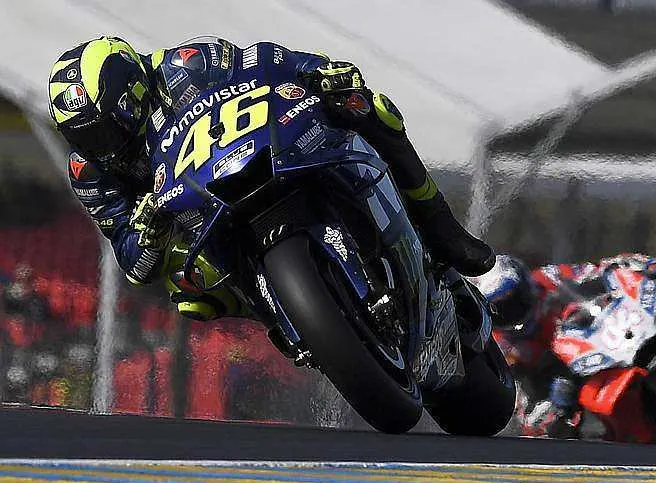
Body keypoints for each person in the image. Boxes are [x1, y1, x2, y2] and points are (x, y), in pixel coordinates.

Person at [47, 36, 494, 320]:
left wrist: (317, 72)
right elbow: (133, 265)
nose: (96, 145)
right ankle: (292, 317)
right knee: (189, 293)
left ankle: (442, 229)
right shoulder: (89, 172)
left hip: (266, 153)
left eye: (99, 129)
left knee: (367, 106)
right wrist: (147, 234)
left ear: (131, 93)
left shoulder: (186, 64)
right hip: (203, 222)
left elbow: (267, 61)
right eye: (80, 136)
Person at [474, 253, 656, 438]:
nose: (513, 310)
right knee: (562, 433)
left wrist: (644, 267)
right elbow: (518, 404)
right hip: (571, 381)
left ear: (525, 283)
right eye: (501, 309)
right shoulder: (502, 348)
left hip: (606, 337)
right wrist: (549, 412)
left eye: (515, 298)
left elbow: (599, 270)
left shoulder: (548, 278)